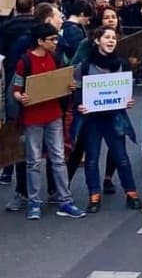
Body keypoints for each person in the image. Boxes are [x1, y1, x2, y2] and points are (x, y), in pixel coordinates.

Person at [13, 23, 86, 220]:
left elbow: (62, 81)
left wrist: (69, 85)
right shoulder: (25, 62)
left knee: (58, 158)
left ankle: (65, 200)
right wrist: (21, 97)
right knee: (33, 161)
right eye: (52, 39)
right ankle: (34, 202)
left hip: (53, 115)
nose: (56, 42)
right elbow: (17, 89)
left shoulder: (55, 58)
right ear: (40, 41)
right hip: (33, 118)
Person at [72, 27, 141, 213]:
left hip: (114, 117)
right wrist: (79, 105)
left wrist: (128, 100)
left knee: (122, 157)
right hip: (92, 120)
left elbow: (126, 89)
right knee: (92, 159)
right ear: (96, 41)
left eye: (114, 38)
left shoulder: (122, 65)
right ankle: (94, 196)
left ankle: (131, 193)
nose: (111, 41)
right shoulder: (84, 66)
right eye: (107, 38)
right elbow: (76, 91)